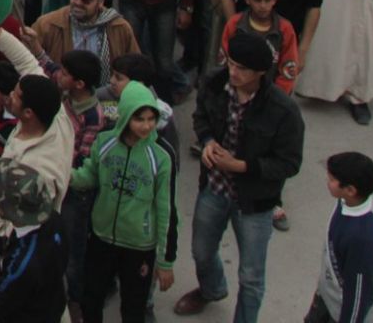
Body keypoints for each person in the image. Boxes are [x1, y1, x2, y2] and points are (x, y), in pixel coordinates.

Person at [172, 31, 304, 322]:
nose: (233, 72)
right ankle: (212, 289)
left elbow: (289, 163)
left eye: (242, 68)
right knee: (201, 252)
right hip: (214, 188)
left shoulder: (283, 110)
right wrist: (206, 141)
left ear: (260, 72)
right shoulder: (214, 83)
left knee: (251, 277)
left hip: (255, 202)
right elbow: (200, 116)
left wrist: (242, 166)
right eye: (231, 64)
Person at [69, 80, 174, 323]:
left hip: (139, 246)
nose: (147, 125)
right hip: (102, 237)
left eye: (151, 119)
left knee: (133, 309)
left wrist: (165, 261)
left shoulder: (160, 157)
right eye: (140, 119)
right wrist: (65, 177)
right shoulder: (104, 143)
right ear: (126, 115)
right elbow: (89, 176)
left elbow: (165, 208)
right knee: (91, 299)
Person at [308, 152, 373, 323]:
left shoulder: (362, 239)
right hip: (328, 298)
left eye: (331, 180)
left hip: (341, 312)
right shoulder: (349, 201)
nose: (327, 183)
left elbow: (358, 295)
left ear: (350, 190)